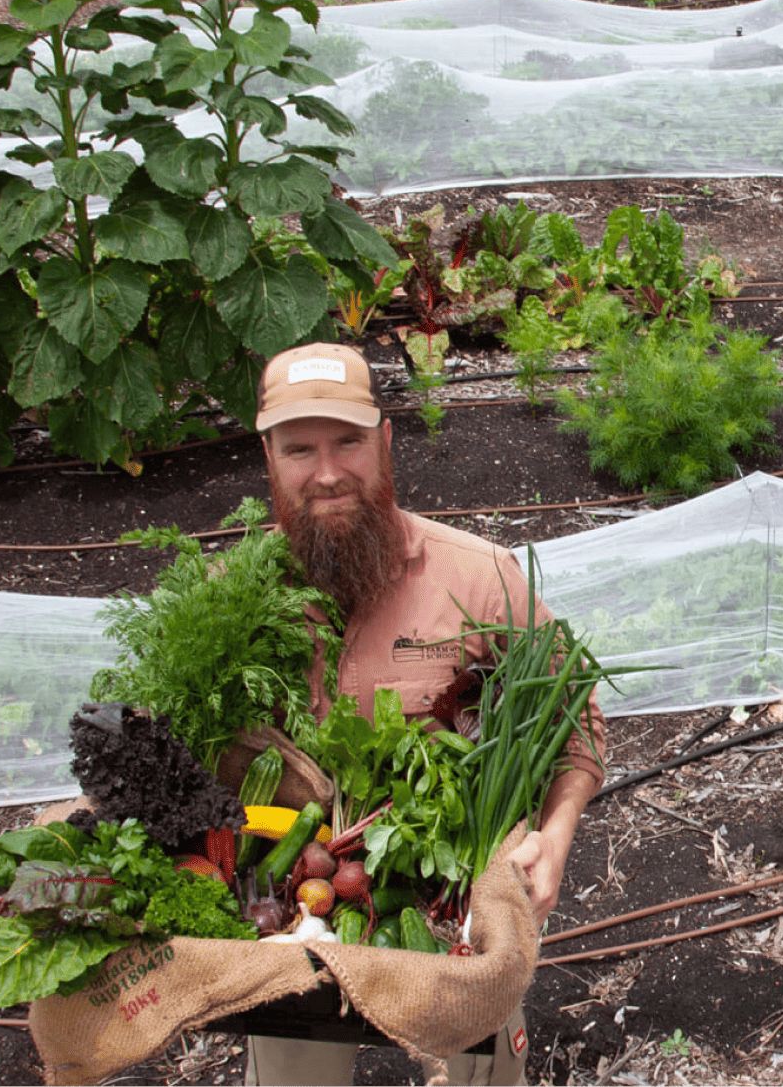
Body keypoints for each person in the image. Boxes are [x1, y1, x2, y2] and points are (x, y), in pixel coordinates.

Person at [246, 342, 605, 1087]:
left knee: (478, 1066)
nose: (328, 471)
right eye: (300, 448)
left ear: (383, 442)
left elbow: (574, 722)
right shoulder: (234, 597)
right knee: (288, 1069)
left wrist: (557, 836)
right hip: (299, 909)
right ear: (269, 458)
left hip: (456, 904)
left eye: (347, 441)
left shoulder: (477, 577)